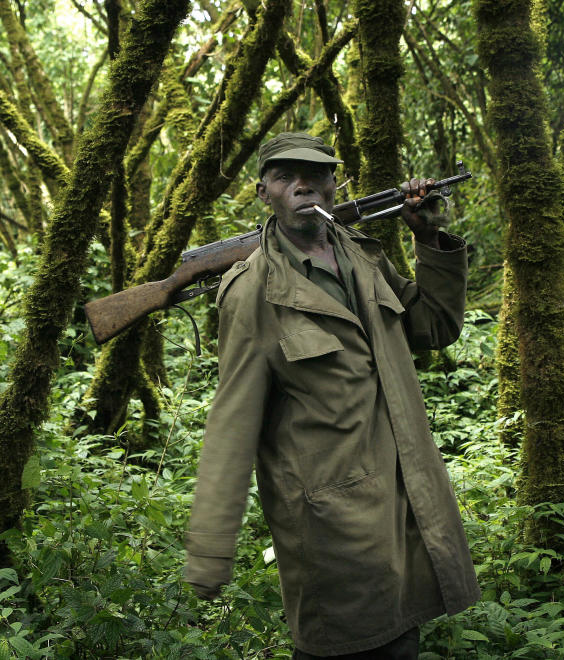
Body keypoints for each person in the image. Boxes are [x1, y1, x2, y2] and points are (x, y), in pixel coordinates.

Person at [184, 132, 480, 659]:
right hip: (331, 530)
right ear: (264, 192)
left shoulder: (363, 257)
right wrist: (210, 555)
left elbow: (433, 327)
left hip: (405, 503)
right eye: (285, 176)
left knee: (402, 640)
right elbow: (232, 429)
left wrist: (428, 240)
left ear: (334, 183)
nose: (303, 185)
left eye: (316, 174)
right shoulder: (253, 293)